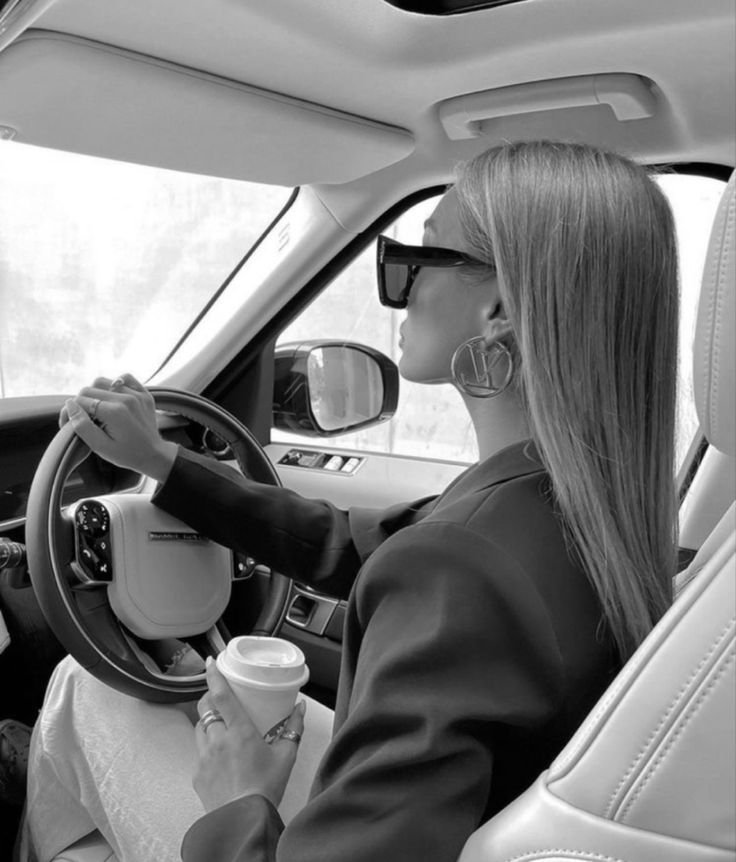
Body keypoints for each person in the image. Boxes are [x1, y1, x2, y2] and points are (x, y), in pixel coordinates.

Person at [26, 140, 679, 862]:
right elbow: (345, 546)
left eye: (419, 260)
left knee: (86, 689)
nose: (399, 288)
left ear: (499, 309)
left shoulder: (465, 565)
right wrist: (159, 460)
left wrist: (242, 799)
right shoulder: (573, 505)